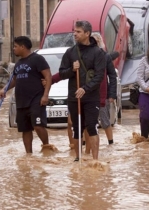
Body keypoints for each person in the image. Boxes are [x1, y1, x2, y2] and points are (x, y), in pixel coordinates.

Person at [59, 20, 106, 161]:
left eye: (78, 32)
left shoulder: (98, 53)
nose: (75, 34)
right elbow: (62, 73)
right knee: (76, 127)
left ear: (87, 33)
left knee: (92, 126)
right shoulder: (70, 52)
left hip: (91, 97)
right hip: (74, 96)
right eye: (74, 31)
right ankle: (77, 158)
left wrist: (85, 89)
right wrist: (72, 70)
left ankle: (95, 160)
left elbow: (99, 76)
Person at [0, 36, 53, 153]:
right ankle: (29, 155)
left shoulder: (37, 59)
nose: (14, 49)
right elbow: (14, 80)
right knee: (25, 129)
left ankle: (47, 147)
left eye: (16, 46)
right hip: (21, 101)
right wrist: (4, 89)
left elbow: (48, 76)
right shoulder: (18, 63)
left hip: (36, 99)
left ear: (23, 47)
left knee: (38, 125)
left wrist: (45, 95)